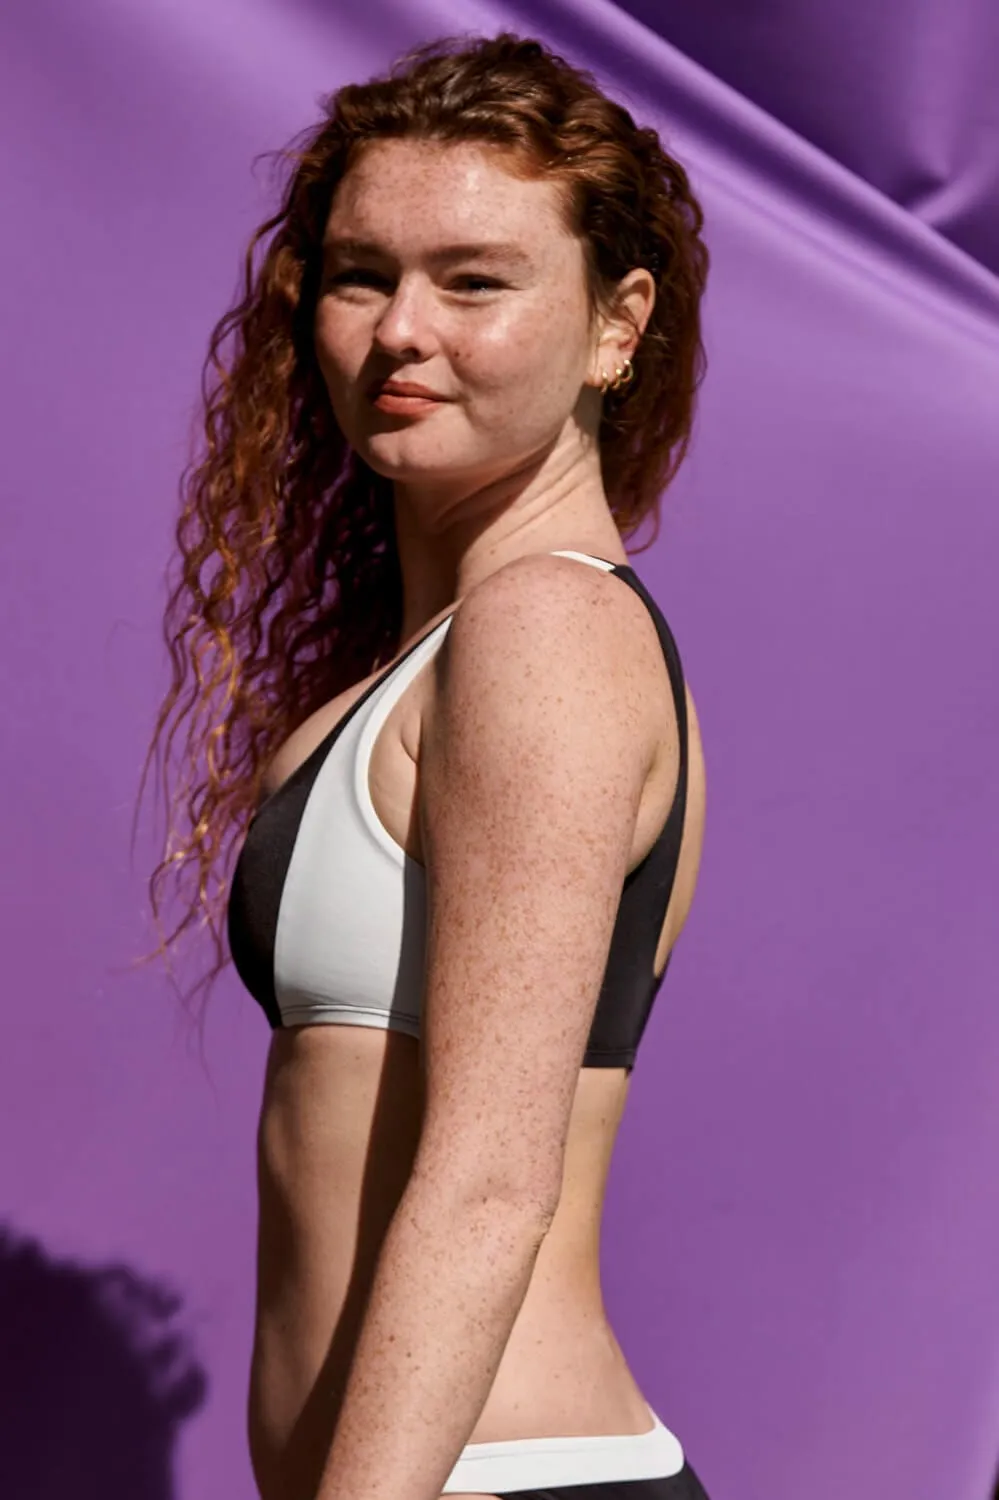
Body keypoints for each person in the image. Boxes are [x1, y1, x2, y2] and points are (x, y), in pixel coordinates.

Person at [141, 29, 711, 1500]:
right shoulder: (419, 666)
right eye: (358, 274)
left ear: (613, 324)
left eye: (473, 280)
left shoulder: (546, 631)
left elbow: (487, 1182)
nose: (400, 330)